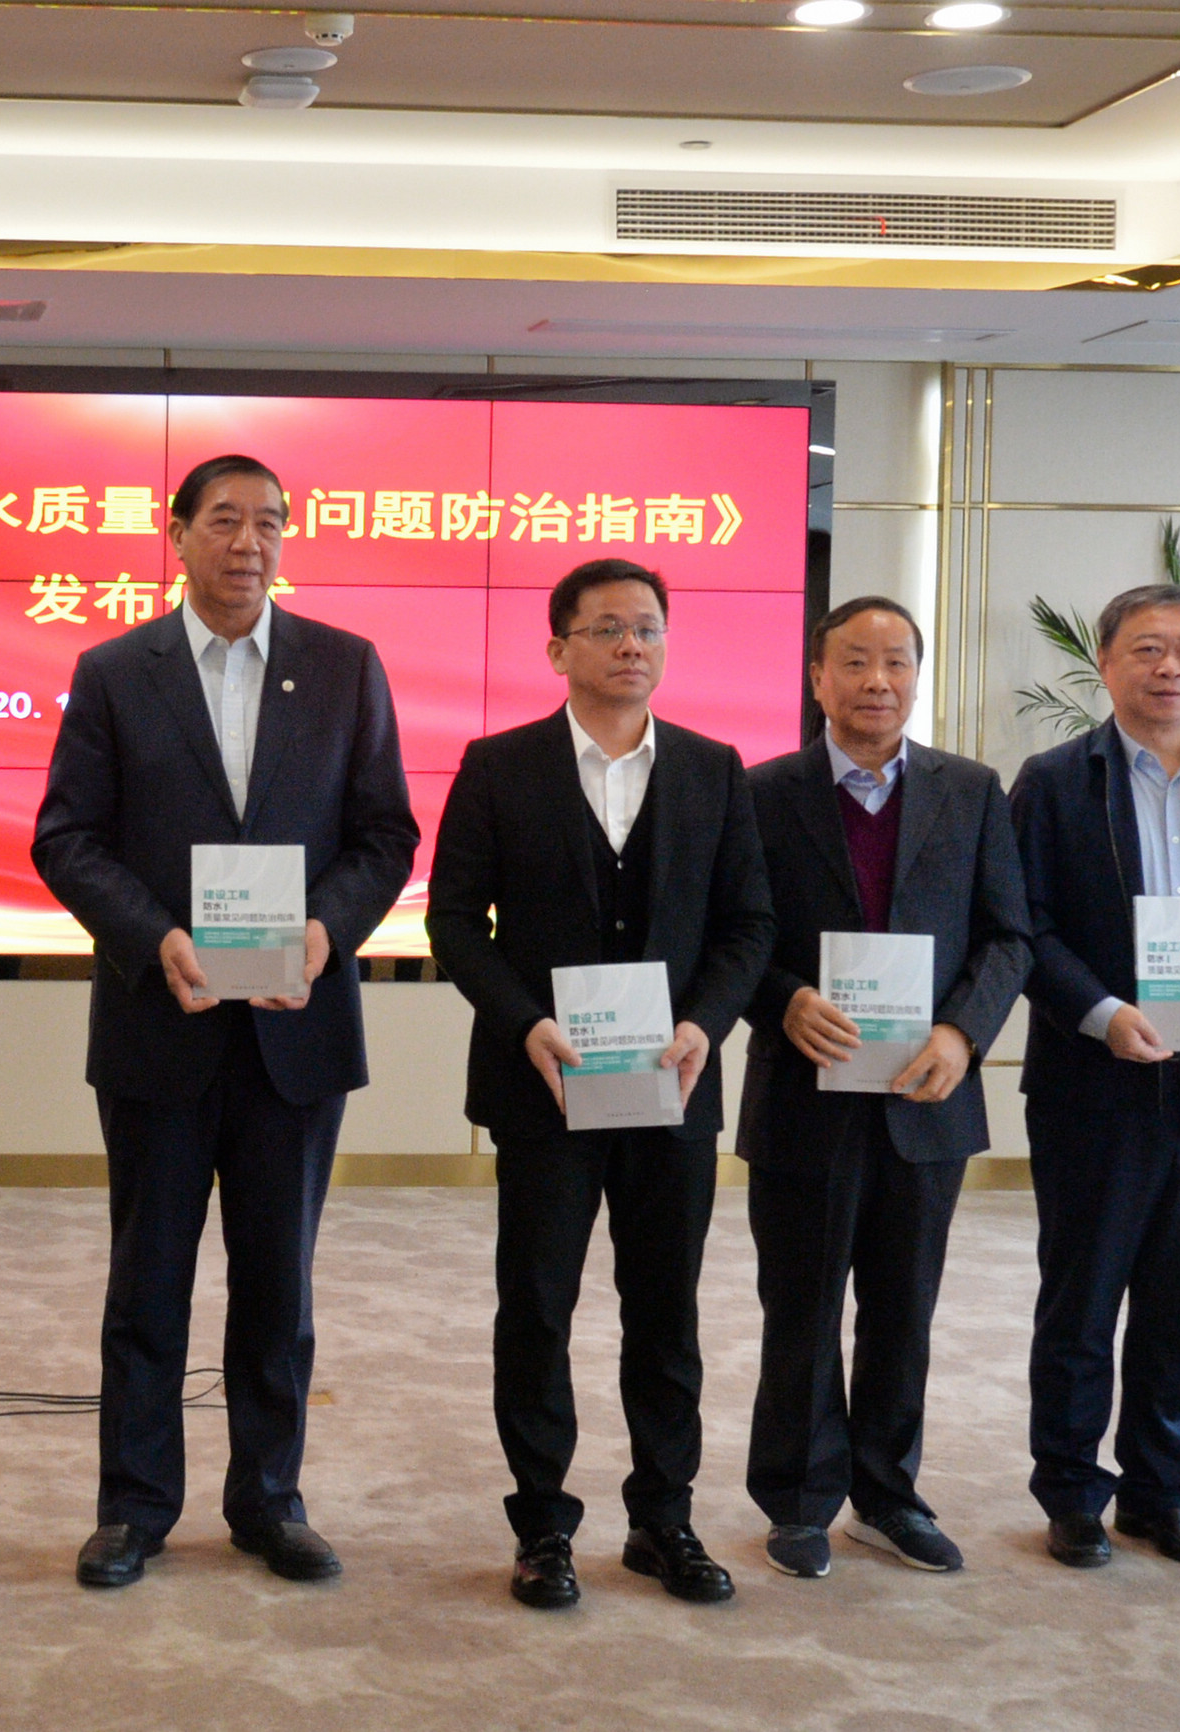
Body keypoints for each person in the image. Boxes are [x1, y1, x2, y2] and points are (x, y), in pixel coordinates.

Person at [33, 454, 416, 1589]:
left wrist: (326, 930)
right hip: (163, 1020)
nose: (250, 542)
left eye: (270, 522)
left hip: (297, 1027)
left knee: (277, 1289)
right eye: (225, 520)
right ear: (178, 534)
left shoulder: (346, 666)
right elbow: (66, 838)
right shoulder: (115, 671)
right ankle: (134, 1509)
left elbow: (385, 835)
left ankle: (270, 1501)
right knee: (147, 1284)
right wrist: (156, 936)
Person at [428, 557, 775, 1610]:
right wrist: (525, 1022)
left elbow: (748, 924)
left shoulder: (715, 769)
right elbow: (455, 922)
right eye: (610, 627)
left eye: (649, 628)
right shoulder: (499, 765)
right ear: (559, 648)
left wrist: (703, 1022)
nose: (633, 645)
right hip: (546, 1087)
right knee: (537, 1304)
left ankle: (663, 1518)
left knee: (665, 1310)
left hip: (671, 1086)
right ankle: (542, 1523)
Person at [736, 596, 1029, 1580]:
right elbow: (734, 933)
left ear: (916, 676)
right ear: (818, 678)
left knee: (904, 1312)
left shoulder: (971, 790)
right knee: (803, 1308)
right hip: (802, 1091)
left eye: (897, 662)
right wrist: (782, 999)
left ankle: (888, 1493)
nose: (877, 681)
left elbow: (1009, 934)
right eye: (855, 662)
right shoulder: (762, 792)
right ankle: (799, 1498)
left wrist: (962, 1032)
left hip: (925, 1095)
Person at [1011, 582, 1180, 1571]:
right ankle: (1072, 1494)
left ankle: (1160, 1494)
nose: (1171, 668)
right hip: (1093, 1081)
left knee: (1179, 1306)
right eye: (1147, 649)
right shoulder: (1053, 782)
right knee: (1082, 1302)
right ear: (1106, 661)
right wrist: (1101, 1012)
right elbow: (1025, 926)